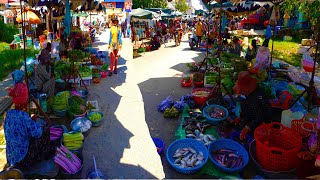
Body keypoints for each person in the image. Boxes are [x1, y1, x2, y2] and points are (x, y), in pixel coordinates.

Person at [5, 70, 57, 169]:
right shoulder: (24, 117)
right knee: (46, 130)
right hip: (22, 159)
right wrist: (34, 123)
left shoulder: (8, 115)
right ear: (25, 100)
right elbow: (38, 133)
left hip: (11, 158)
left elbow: (18, 131)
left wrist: (30, 123)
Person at [233, 71, 272, 140]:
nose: (240, 92)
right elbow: (245, 106)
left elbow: (259, 117)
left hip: (262, 120)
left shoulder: (255, 97)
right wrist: (240, 117)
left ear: (246, 88)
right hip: (252, 115)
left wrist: (248, 127)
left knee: (251, 134)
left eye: (241, 90)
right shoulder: (247, 94)